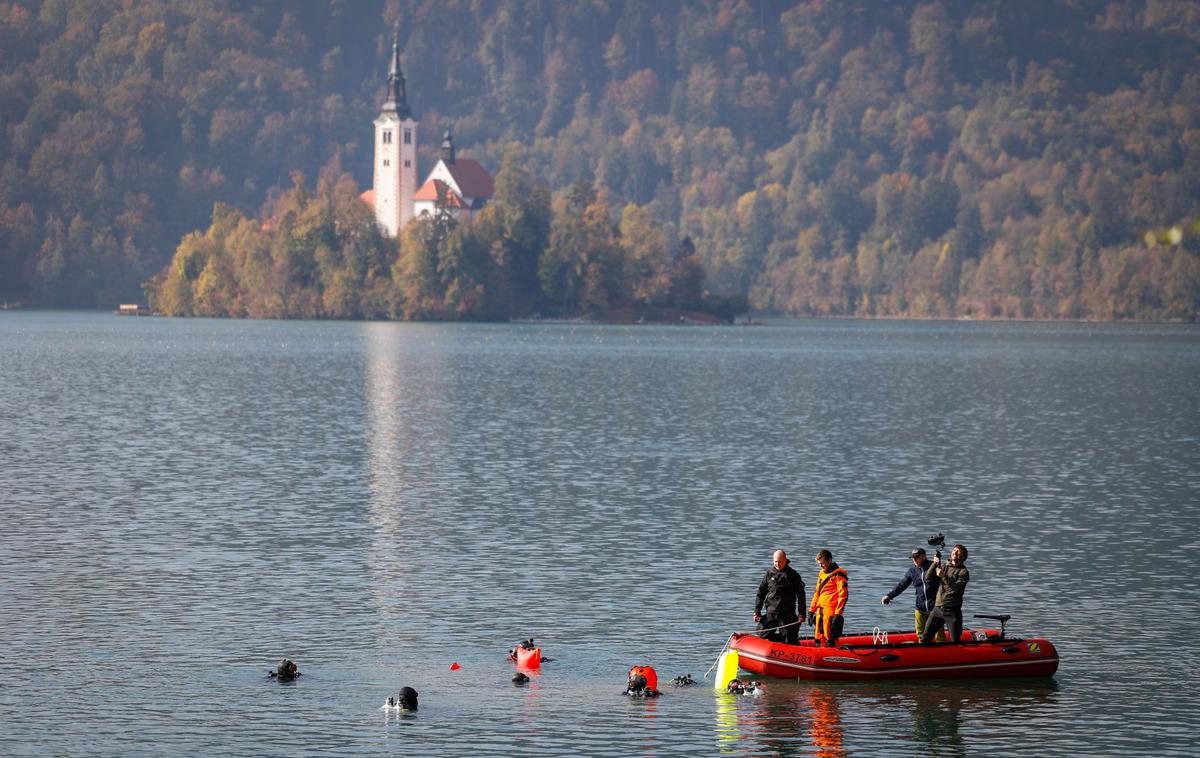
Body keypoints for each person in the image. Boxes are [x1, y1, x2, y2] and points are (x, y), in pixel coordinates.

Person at [881, 547, 945, 642]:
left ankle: (944, 651)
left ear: (924, 556)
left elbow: (944, 578)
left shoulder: (933, 566)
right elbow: (902, 585)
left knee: (938, 634)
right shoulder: (912, 571)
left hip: (935, 608)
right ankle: (922, 652)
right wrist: (889, 596)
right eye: (913, 557)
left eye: (916, 557)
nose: (914, 559)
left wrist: (938, 564)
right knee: (921, 634)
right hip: (920, 608)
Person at [754, 549, 806, 644]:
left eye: (780, 562)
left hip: (787, 614)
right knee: (761, 634)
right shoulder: (769, 574)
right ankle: (778, 643)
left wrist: (801, 614)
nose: (778, 564)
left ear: (785, 560)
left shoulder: (792, 575)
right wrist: (757, 611)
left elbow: (801, 595)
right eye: (776, 562)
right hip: (771, 612)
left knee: (789, 640)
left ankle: (788, 641)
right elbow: (760, 593)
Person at [920, 543, 970, 644]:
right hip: (938, 609)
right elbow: (927, 578)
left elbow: (956, 589)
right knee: (926, 637)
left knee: (954, 640)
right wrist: (935, 563)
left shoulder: (963, 572)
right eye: (954, 550)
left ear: (963, 557)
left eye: (958, 551)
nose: (954, 552)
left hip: (952, 611)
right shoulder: (945, 566)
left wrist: (943, 577)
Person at [807, 550, 848, 647]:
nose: (821, 566)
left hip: (831, 611)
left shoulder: (838, 575)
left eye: (822, 563)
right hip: (820, 610)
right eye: (819, 564)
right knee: (818, 637)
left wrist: (838, 614)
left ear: (829, 560)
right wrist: (811, 611)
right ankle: (819, 652)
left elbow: (843, 596)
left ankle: (834, 655)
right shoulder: (821, 574)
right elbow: (817, 593)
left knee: (830, 637)